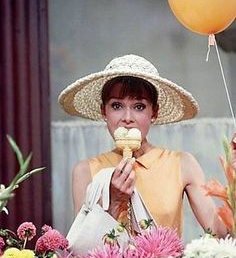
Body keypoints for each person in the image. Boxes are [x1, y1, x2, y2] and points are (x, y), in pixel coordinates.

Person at [59, 54, 232, 239]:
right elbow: (81, 248)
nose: (127, 118)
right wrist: (115, 201)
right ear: (104, 111)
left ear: (154, 112)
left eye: (139, 107)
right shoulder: (85, 171)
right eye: (117, 106)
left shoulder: (182, 164)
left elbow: (220, 235)